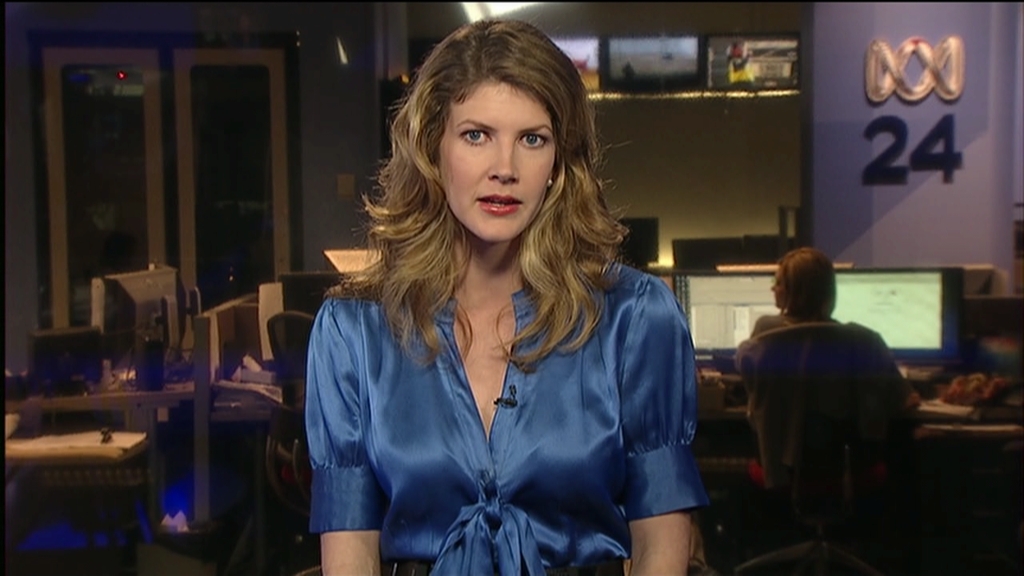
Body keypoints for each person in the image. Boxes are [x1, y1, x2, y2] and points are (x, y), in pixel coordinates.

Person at [304, 18, 709, 576]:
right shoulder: (353, 330)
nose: (504, 169)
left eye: (532, 139)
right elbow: (349, 552)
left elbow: (661, 547)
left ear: (558, 165)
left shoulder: (635, 318)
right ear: (433, 149)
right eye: (477, 135)